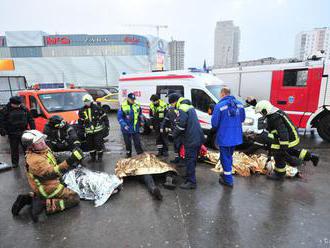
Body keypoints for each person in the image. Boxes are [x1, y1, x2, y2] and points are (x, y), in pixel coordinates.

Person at [11, 130, 83, 222]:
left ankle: (28, 198)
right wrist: (70, 161)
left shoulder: (42, 149)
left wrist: (72, 154)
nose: (42, 143)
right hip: (47, 188)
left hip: (47, 184)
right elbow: (51, 173)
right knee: (74, 198)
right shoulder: (35, 160)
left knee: (63, 189)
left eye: (42, 139)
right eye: (38, 142)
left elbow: (54, 158)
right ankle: (44, 204)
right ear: (31, 146)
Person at [254, 100, 319, 180]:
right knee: (291, 151)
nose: (261, 114)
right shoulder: (274, 113)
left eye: (261, 112)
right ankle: (312, 157)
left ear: (265, 110)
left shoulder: (274, 118)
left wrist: (283, 146)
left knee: (278, 154)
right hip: (290, 136)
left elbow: (283, 132)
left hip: (288, 139)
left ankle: (279, 174)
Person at [211, 87, 246, 188]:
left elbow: (214, 123)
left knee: (225, 157)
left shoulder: (219, 106)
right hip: (236, 136)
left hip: (224, 136)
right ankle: (227, 173)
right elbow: (242, 119)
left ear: (222, 94)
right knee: (229, 156)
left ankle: (228, 180)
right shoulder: (239, 104)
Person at [169, 93, 205, 189]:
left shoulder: (182, 107)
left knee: (190, 160)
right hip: (197, 136)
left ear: (175, 102)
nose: (172, 106)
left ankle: (191, 182)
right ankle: (189, 176)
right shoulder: (189, 106)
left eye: (171, 104)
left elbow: (181, 125)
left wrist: (173, 135)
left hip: (191, 138)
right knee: (192, 160)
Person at [0, 96, 35, 168]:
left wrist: (33, 129)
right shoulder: (5, 110)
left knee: (27, 148)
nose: (18, 106)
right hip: (12, 132)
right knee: (14, 148)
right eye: (17, 104)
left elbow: (30, 119)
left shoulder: (24, 108)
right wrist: (2, 130)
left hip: (23, 131)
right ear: (12, 103)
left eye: (19, 104)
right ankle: (15, 163)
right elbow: (1, 121)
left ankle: (29, 161)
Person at [78, 94, 109, 162]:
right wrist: (81, 131)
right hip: (88, 132)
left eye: (88, 101)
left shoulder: (98, 108)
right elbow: (80, 122)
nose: (87, 102)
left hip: (98, 131)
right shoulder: (81, 110)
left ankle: (100, 157)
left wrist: (107, 127)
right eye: (85, 101)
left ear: (91, 100)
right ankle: (93, 158)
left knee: (98, 144)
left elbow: (105, 118)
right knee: (90, 146)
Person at [117, 93, 144, 158]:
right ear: (128, 99)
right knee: (128, 143)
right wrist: (124, 125)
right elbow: (120, 118)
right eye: (131, 99)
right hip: (126, 129)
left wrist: (142, 121)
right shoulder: (123, 106)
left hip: (135, 128)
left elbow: (140, 114)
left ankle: (140, 155)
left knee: (137, 142)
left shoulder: (137, 105)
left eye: (134, 99)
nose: (133, 101)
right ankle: (128, 154)